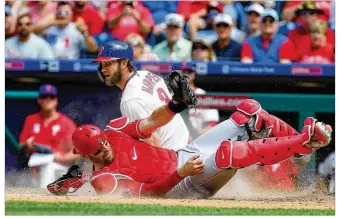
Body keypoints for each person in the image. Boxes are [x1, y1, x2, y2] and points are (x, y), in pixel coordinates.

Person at [48, 84, 332, 198]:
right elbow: (149, 194)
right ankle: (306, 141)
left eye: (104, 142)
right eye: (99, 150)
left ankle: (299, 150)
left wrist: (174, 105)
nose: (106, 148)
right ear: (88, 156)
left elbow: (151, 122)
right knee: (228, 153)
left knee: (249, 110)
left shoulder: (113, 130)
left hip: (184, 154)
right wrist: (180, 174)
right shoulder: (104, 180)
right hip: (183, 183)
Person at [92, 41, 190, 150]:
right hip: (186, 142)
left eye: (108, 64)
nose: (103, 69)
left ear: (124, 63)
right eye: (101, 64)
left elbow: (153, 142)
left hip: (175, 154)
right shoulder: (146, 74)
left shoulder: (130, 100)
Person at [19, 84, 80, 188]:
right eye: (44, 97)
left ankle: (46, 197)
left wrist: (63, 157)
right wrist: (27, 145)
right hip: (35, 168)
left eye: (51, 97)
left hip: (59, 168)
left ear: (56, 100)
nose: (47, 100)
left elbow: (77, 152)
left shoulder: (66, 122)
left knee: (49, 167)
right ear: (39, 100)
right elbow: (20, 146)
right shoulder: (31, 120)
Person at [179, 63, 219, 140]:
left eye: (189, 72)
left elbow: (212, 122)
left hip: (196, 138)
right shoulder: (171, 94)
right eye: (183, 72)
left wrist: (201, 138)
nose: (185, 75)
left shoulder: (201, 94)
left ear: (194, 74)